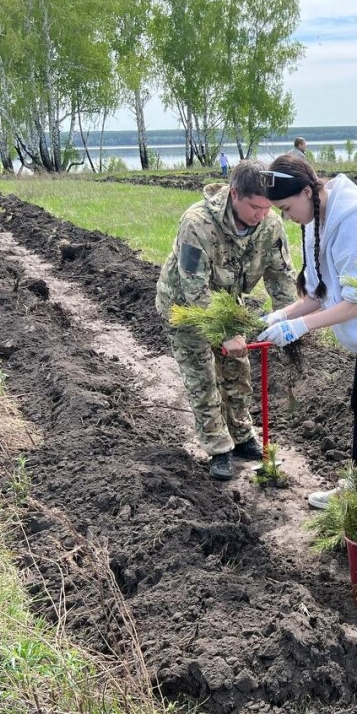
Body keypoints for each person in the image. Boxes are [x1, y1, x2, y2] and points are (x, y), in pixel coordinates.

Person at [256, 155, 357, 508]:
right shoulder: (316, 219)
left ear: (308, 191)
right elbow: (320, 292)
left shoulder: (356, 223)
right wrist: (282, 315)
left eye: (286, 207)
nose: (285, 217)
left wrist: (299, 327)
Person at [155, 160, 298, 480]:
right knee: (203, 377)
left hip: (227, 303)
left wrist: (289, 321)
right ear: (234, 194)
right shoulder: (197, 223)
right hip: (185, 308)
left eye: (266, 207)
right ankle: (218, 448)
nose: (261, 214)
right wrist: (222, 335)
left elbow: (281, 277)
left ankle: (241, 434)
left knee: (237, 370)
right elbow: (194, 288)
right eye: (254, 207)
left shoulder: (270, 225)